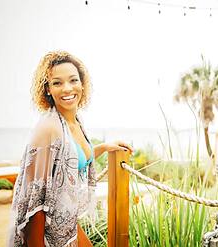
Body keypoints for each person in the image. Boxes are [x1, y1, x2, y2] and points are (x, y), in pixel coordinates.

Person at [8, 51, 133, 246]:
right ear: (47, 89)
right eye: (57, 83)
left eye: (73, 80)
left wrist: (105, 147)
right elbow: (34, 203)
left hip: (66, 224)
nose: (67, 89)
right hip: (47, 234)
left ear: (82, 84)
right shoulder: (49, 129)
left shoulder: (75, 121)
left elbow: (73, 157)